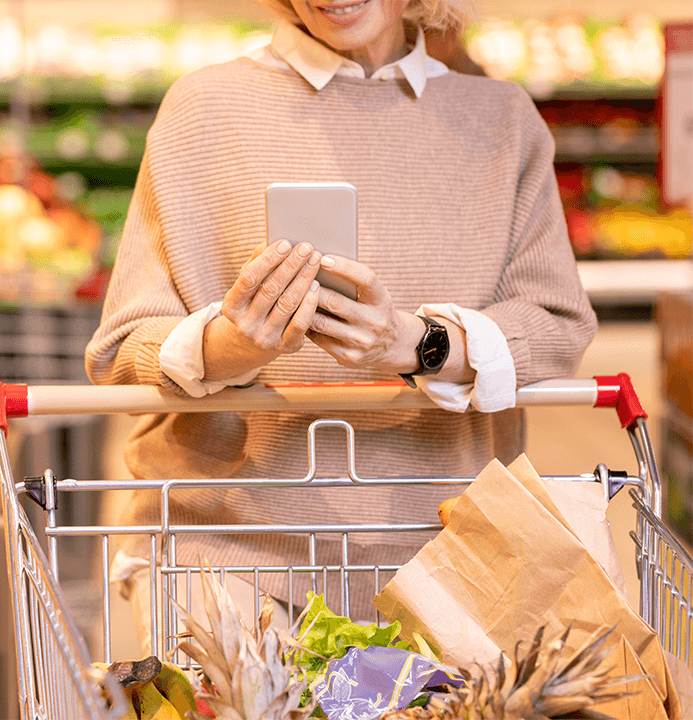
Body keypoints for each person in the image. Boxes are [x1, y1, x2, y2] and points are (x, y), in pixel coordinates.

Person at [84, 0, 597, 650]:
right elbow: (122, 346)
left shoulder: (501, 121)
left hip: (454, 563)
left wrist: (416, 343)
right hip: (224, 555)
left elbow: (556, 322)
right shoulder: (202, 109)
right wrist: (228, 347)